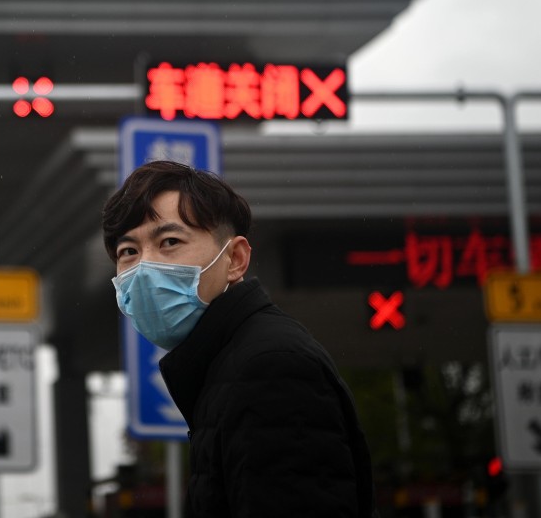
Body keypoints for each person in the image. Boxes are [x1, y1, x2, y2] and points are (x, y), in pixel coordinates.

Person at [102, 160, 375, 517]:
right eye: (128, 252)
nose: (145, 267)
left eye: (170, 241)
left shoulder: (271, 367)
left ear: (235, 258)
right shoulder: (225, 366)